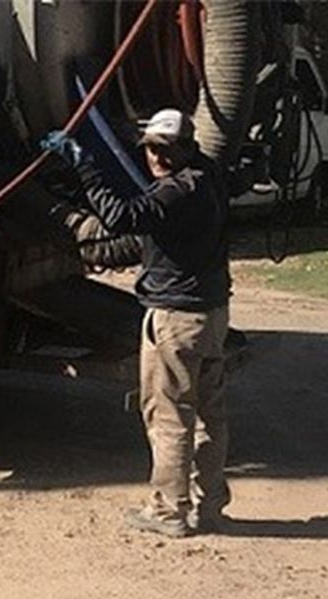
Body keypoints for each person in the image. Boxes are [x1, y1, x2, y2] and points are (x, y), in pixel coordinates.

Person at [45, 108, 233, 538]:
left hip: (176, 319)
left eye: (151, 149)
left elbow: (121, 217)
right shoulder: (207, 176)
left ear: (158, 154)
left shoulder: (175, 195)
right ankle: (211, 506)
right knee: (209, 415)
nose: (149, 157)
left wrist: (84, 166)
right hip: (212, 313)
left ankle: (168, 511)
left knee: (168, 415)